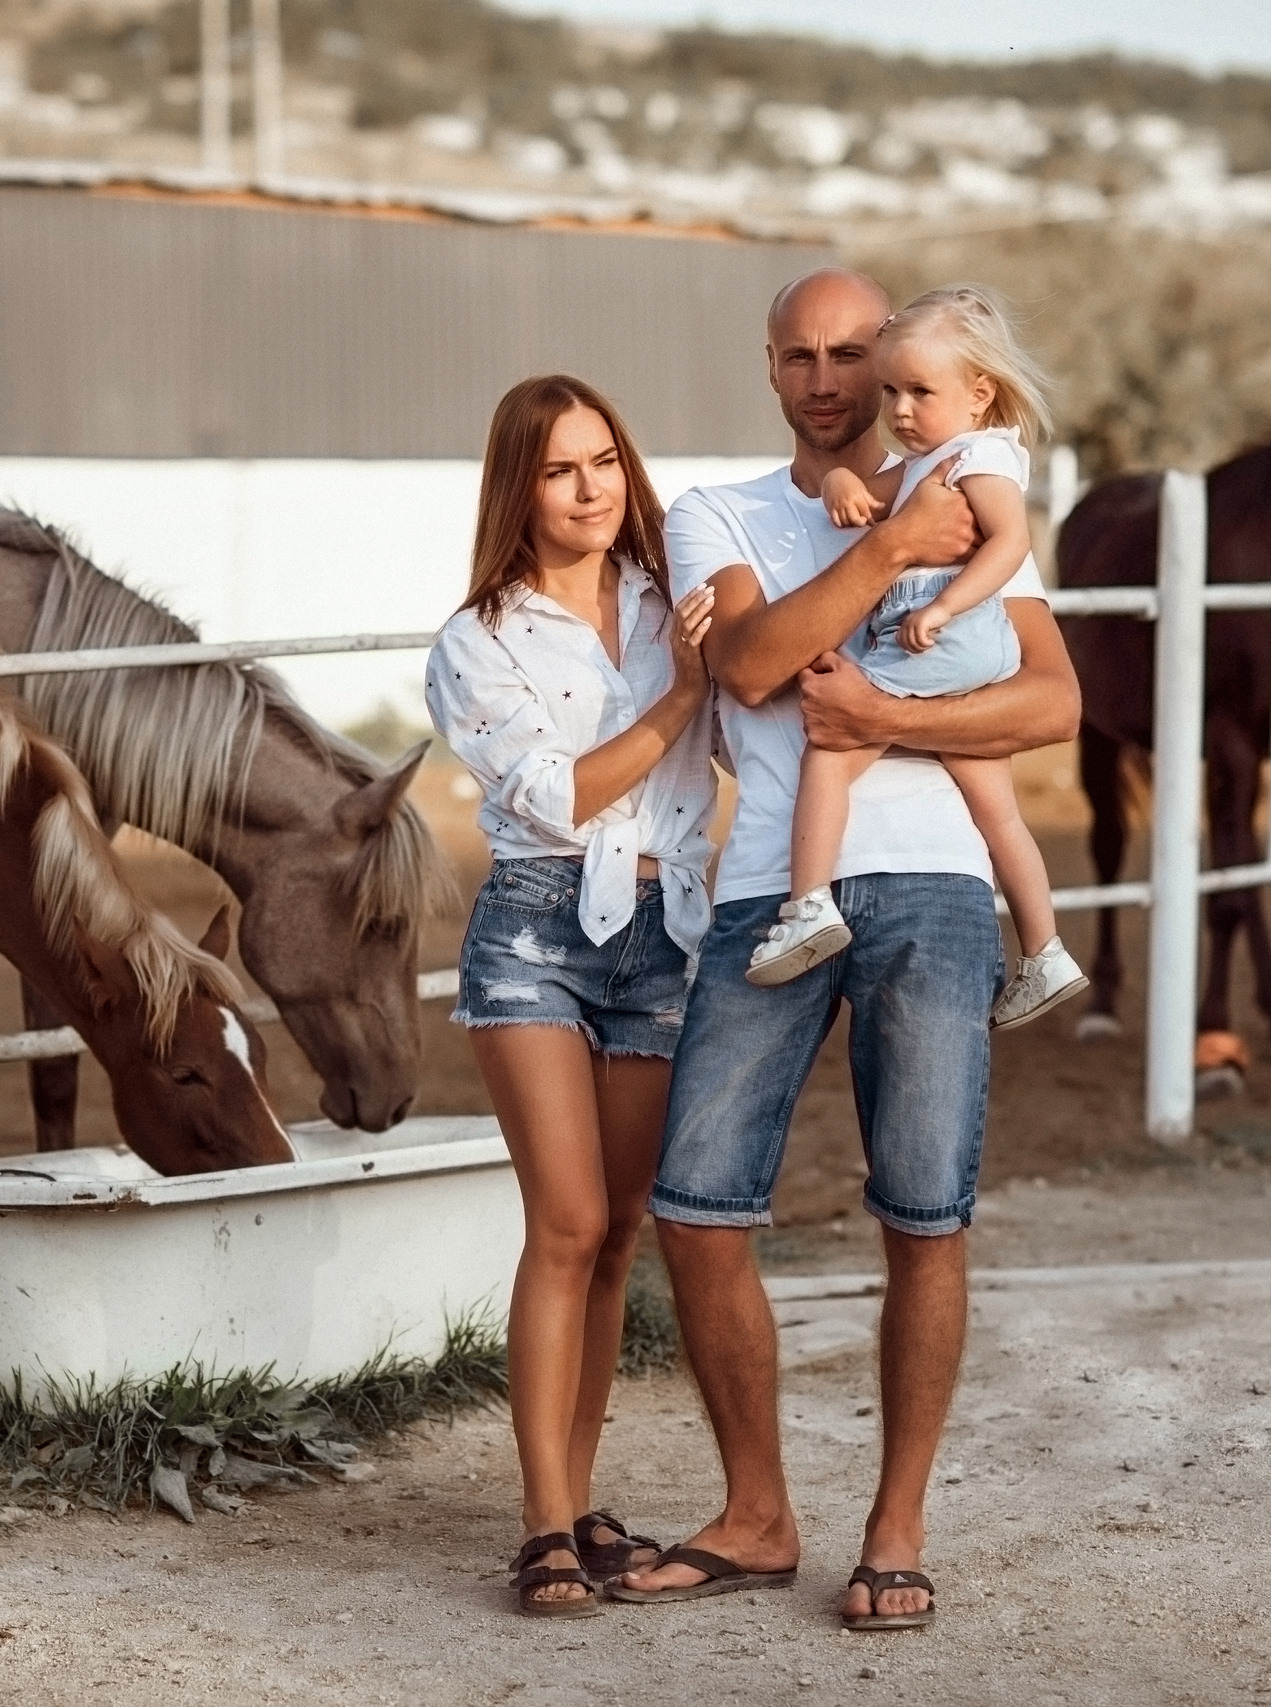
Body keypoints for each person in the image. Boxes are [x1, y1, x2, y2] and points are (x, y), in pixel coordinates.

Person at [608, 270, 1080, 1631]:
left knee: (924, 1212)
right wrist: (883, 551)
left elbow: (1053, 698)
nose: (831, 379)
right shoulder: (719, 512)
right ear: (772, 366)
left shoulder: (968, 481)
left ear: (896, 365)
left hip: (936, 882)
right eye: (804, 356)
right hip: (773, 891)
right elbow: (755, 662)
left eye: (857, 354)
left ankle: (897, 1522)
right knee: (696, 1206)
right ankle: (757, 1512)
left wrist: (885, 709)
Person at [424, 373, 719, 1618]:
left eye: (604, 461)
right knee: (563, 1221)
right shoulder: (474, 642)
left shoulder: (677, 600)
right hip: (539, 931)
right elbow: (559, 795)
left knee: (616, 1235)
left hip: (670, 935)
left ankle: (582, 1498)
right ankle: (542, 1525)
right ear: (518, 488)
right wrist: (687, 696)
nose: (590, 488)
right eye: (558, 469)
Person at [746, 286, 1089, 1032]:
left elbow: (1011, 542)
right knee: (996, 808)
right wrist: (840, 480)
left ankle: (806, 905)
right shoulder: (934, 456)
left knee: (831, 747)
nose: (900, 410)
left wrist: (942, 606)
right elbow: (867, 497)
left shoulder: (980, 456)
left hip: (949, 637)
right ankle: (1045, 948)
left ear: (979, 392)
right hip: (959, 645)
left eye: (919, 392)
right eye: (893, 390)